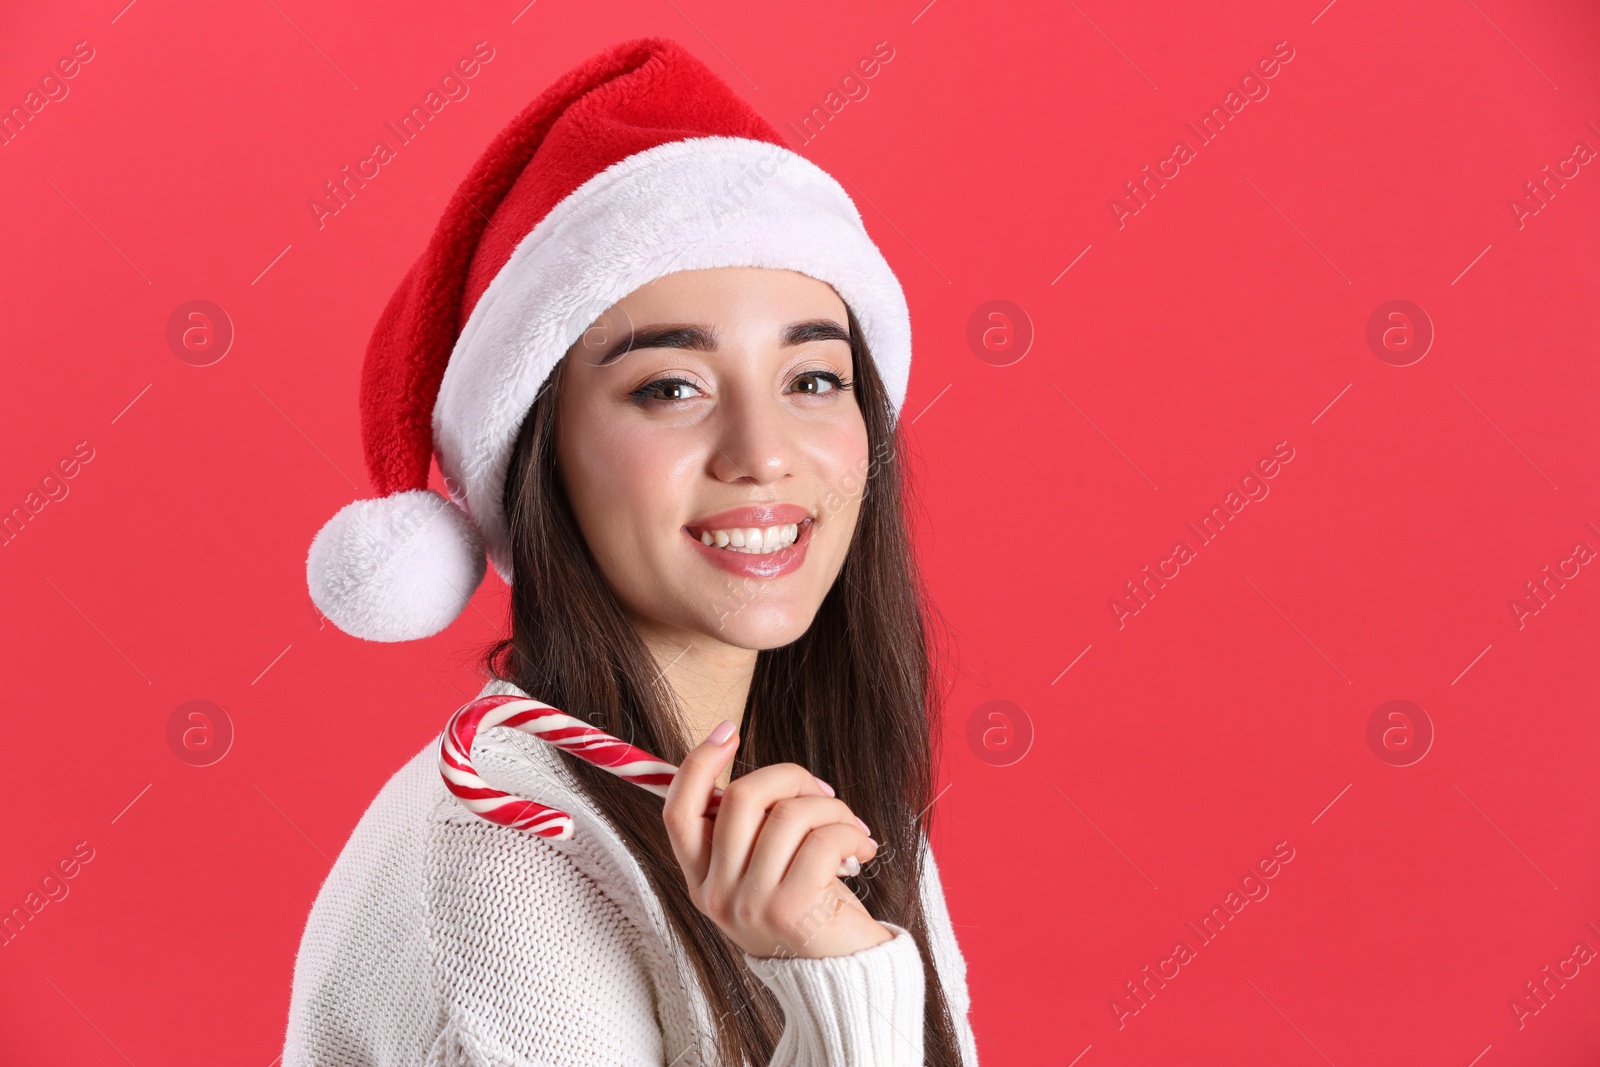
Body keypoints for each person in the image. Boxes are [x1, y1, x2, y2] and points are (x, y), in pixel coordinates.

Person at [285, 36, 977, 1066]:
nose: (762, 455)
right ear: (540, 454)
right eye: (670, 387)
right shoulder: (502, 859)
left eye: (814, 380)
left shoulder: (827, 796)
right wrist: (839, 991)